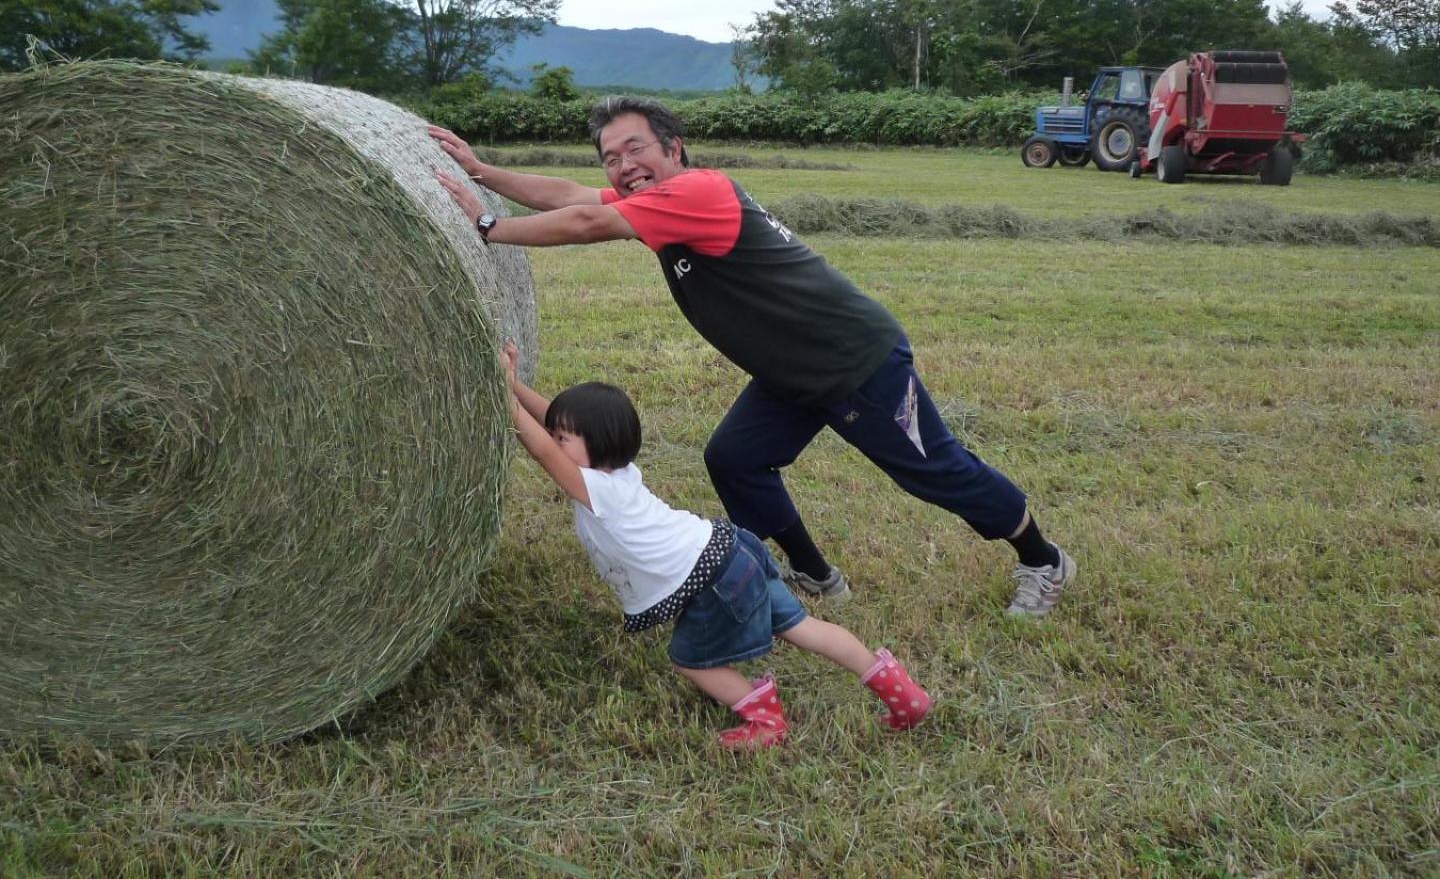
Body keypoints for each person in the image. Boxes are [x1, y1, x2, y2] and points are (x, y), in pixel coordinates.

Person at [431, 96, 1076, 618]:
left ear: (673, 148)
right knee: (735, 458)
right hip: (790, 372)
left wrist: (489, 228)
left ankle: (1043, 559)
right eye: (610, 157)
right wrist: (483, 173)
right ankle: (816, 575)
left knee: (938, 472)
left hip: (853, 359)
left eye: (636, 148)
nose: (622, 165)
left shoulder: (700, 190)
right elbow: (572, 196)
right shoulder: (655, 200)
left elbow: (583, 224)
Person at [498, 341, 932, 750]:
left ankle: (766, 720)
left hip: (711, 580)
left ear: (596, 446)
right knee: (802, 628)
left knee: (692, 660)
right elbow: (554, 422)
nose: (554, 438)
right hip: (731, 549)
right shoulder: (616, 473)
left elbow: (540, 448)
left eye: (563, 438)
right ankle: (900, 691)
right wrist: (513, 385)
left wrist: (506, 399)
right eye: (557, 434)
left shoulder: (596, 489)